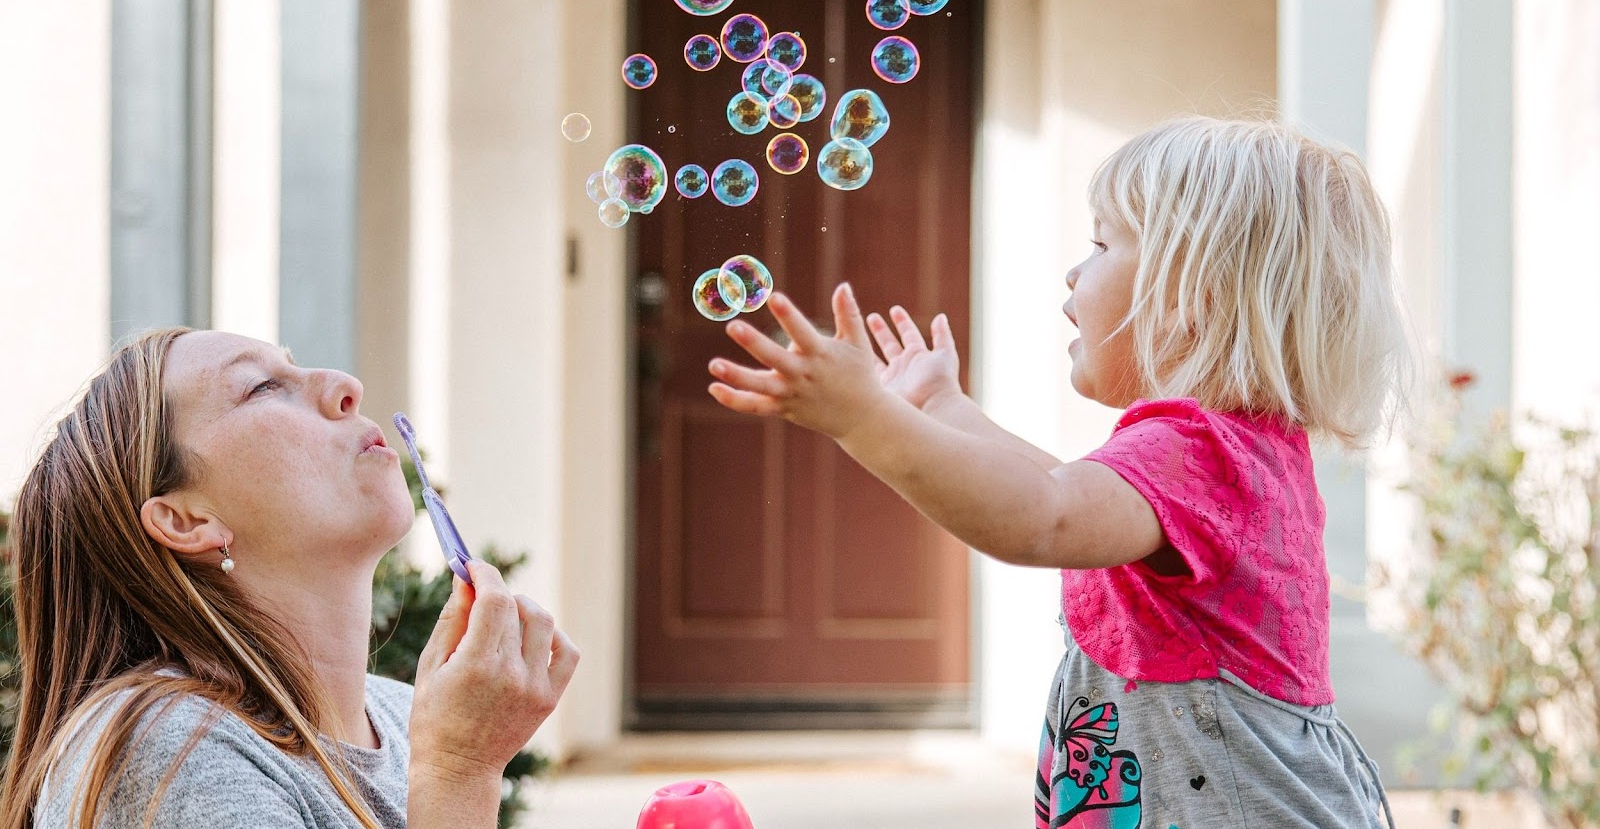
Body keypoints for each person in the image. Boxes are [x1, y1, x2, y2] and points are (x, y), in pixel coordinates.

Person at [707, 115, 1412, 829]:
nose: (1075, 271)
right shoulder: (1229, 453)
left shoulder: (1198, 452)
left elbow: (1043, 516)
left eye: (1102, 243)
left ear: (1190, 290)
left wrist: (866, 420)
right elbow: (1063, 491)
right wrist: (942, 408)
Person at [0, 328, 579, 829]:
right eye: (261, 386)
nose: (345, 385)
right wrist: (460, 771)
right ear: (186, 519)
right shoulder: (162, 749)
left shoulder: (405, 716)